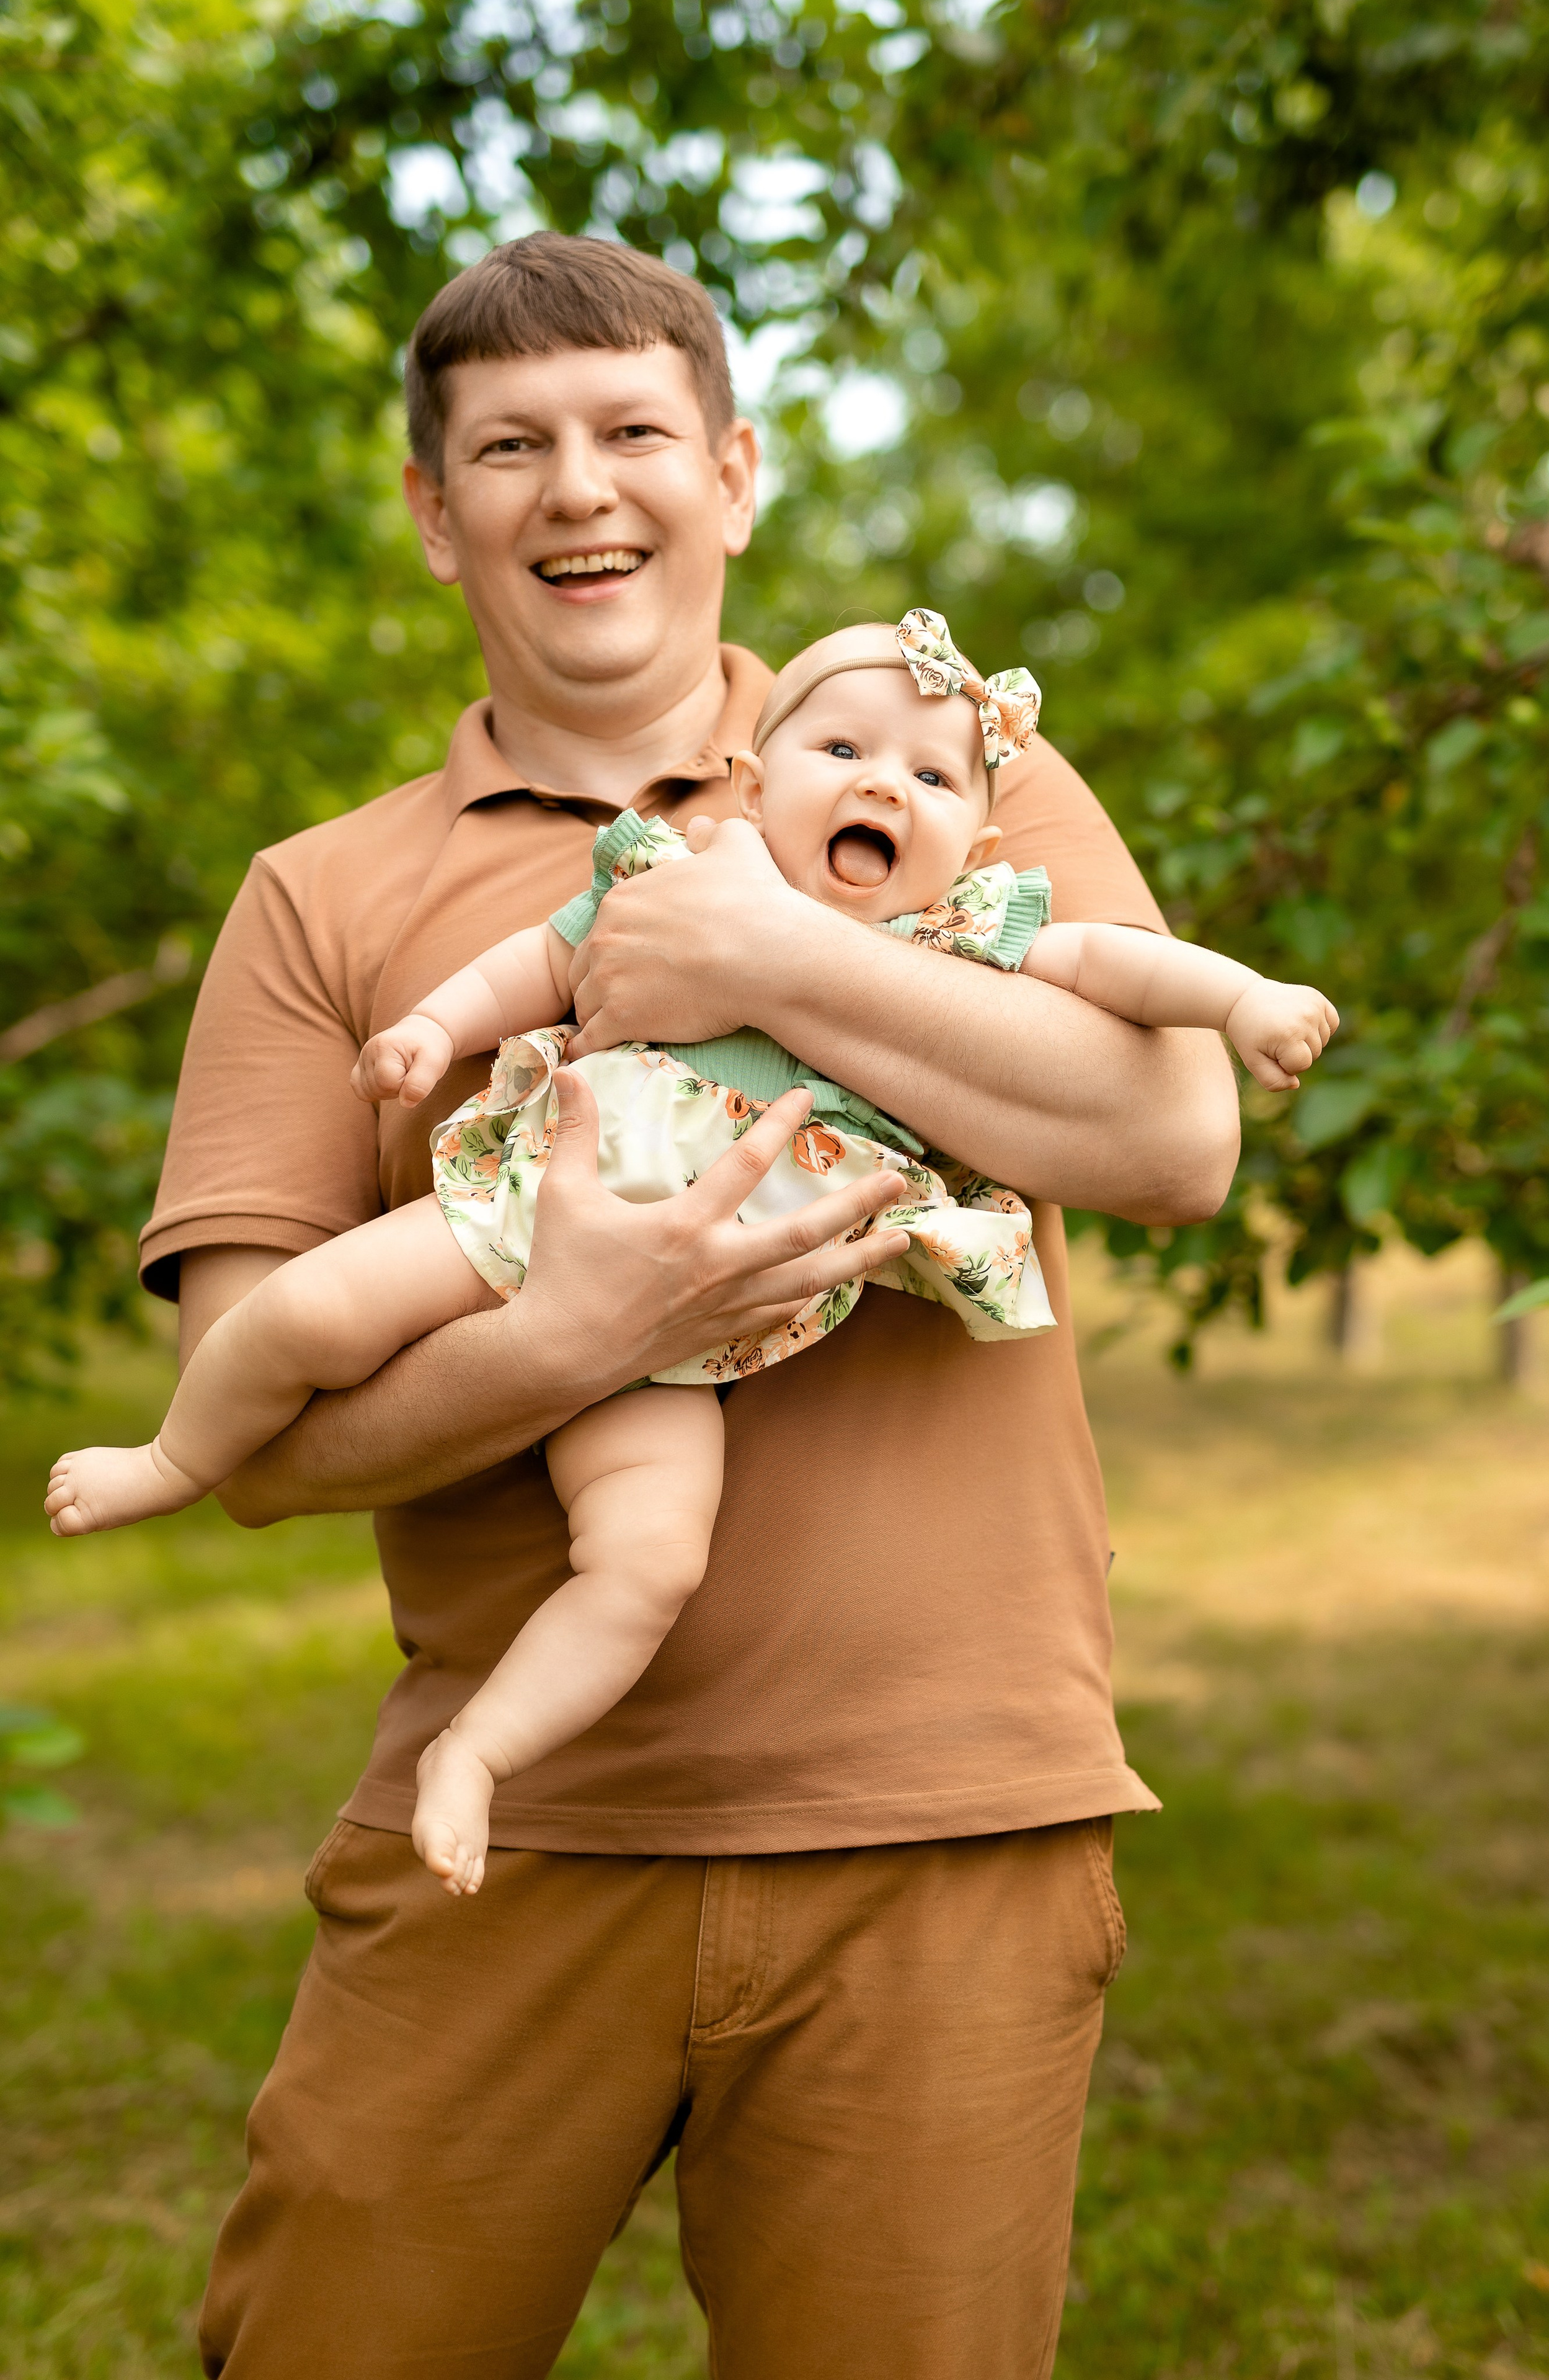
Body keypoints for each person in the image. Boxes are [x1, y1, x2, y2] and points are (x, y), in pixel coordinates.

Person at [141, 233, 1242, 2378]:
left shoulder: (952, 773)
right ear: (431, 508)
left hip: (944, 1816)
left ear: (733, 474)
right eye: (511, 448)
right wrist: (560, 1341)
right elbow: (243, 1431)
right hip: (511, 1826)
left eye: (636, 431)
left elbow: (1171, 1141)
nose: (581, 490)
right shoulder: (325, 897)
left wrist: (761, 964)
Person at [54, 609, 1334, 1922]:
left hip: (708, 1343)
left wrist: (1239, 1001)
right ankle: (168, 1457)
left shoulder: (961, 934)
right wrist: (430, 1031)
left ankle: (479, 1752)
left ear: (978, 842)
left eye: (934, 777)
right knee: (307, 1314)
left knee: (645, 1563)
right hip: (525, 1218)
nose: (885, 781)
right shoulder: (678, 865)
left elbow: (1120, 973)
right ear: (754, 778)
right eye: (841, 747)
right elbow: (543, 959)